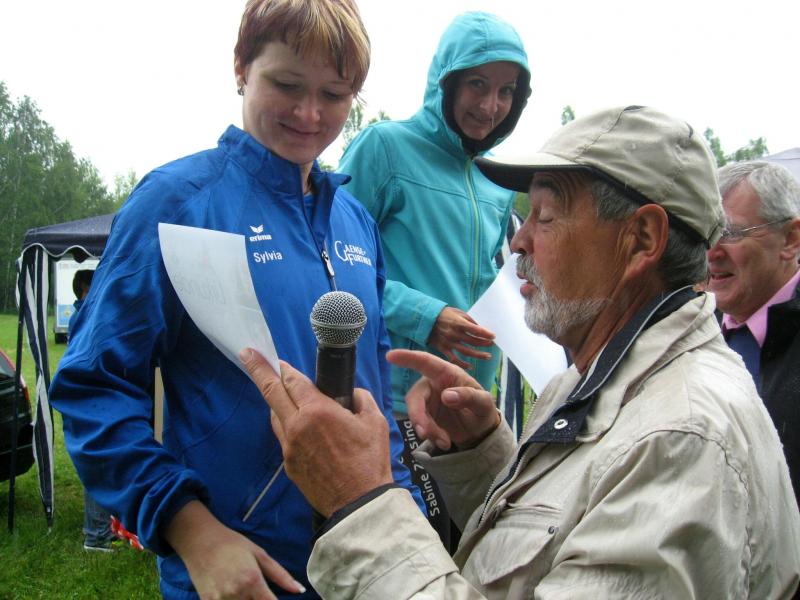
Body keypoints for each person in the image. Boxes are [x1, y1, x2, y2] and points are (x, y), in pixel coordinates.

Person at [241, 105, 800, 598]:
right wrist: (481, 454)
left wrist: (359, 501)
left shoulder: (681, 442)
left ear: (643, 239)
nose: (518, 241)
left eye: (546, 216)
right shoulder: (603, 379)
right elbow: (564, 546)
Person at [49, 1, 423, 598]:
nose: (309, 113)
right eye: (287, 85)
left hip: (366, 563)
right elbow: (92, 386)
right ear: (242, 67)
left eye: (334, 94)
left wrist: (408, 525)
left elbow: (373, 399)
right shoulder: (177, 205)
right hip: (242, 571)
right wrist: (193, 532)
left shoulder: (356, 222)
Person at [338, 11, 531, 416]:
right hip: (390, 398)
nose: (490, 106)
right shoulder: (385, 148)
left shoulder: (496, 178)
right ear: (447, 81)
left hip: (467, 401)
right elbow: (329, 265)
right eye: (477, 84)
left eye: (506, 91)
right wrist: (425, 316)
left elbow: (486, 283)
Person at [707, 160, 800, 504]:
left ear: (790, 239)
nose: (711, 252)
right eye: (706, 233)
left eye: (730, 232)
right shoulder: (689, 333)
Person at [67, 268, 117, 552]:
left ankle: (105, 529)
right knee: (99, 465)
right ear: (85, 290)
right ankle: (96, 536)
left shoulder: (86, 314)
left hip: (94, 399)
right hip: (91, 400)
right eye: (94, 286)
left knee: (107, 463)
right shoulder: (85, 317)